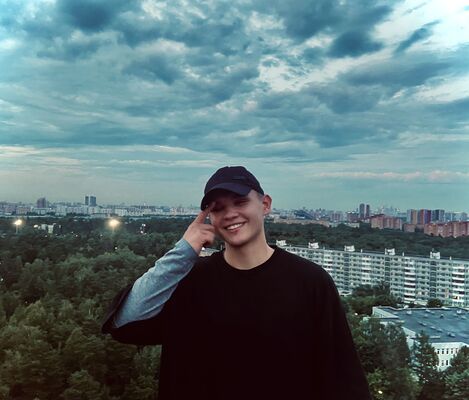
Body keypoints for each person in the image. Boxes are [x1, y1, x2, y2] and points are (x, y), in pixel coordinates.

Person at [102, 166, 371, 400]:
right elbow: (124, 323)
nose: (229, 214)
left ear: (265, 204)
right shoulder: (189, 281)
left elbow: (344, 378)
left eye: (240, 202)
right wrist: (183, 252)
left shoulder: (309, 281)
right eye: (218, 208)